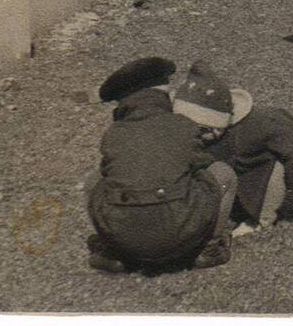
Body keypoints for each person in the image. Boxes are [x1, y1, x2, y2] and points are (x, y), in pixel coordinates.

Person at [87, 57, 238, 274]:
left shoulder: (114, 133)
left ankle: (111, 252)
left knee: (94, 180)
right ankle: (209, 249)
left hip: (126, 239)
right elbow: (203, 165)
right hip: (180, 233)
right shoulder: (182, 125)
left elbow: (110, 174)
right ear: (162, 97)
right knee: (223, 173)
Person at [172, 60, 293, 236]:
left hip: (257, 167)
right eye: (203, 130)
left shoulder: (262, 122)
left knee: (269, 183)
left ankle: (261, 220)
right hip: (224, 168)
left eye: (217, 128)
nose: (211, 134)